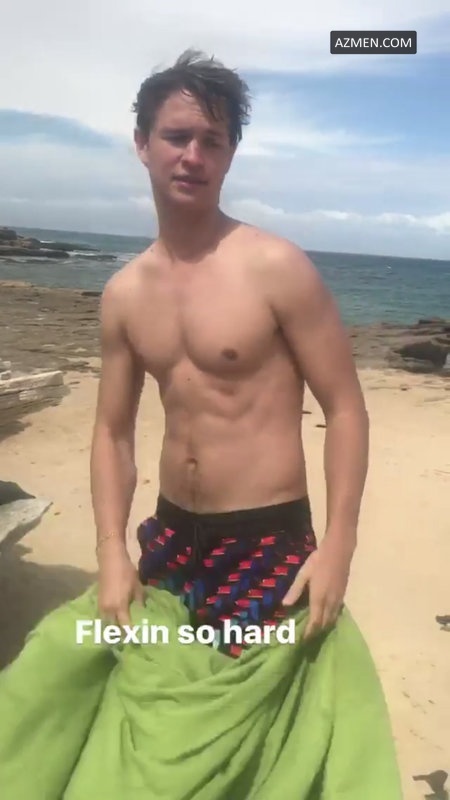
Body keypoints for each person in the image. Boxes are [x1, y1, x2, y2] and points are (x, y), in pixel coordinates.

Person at [0, 50, 403, 799]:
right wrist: (110, 554)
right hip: (168, 549)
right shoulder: (124, 293)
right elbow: (112, 433)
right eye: (177, 136)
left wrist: (339, 546)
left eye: (212, 141)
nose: (193, 155)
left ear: (230, 154)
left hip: (268, 550)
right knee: (81, 693)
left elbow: (345, 407)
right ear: (142, 144)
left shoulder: (276, 267)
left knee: (256, 754)